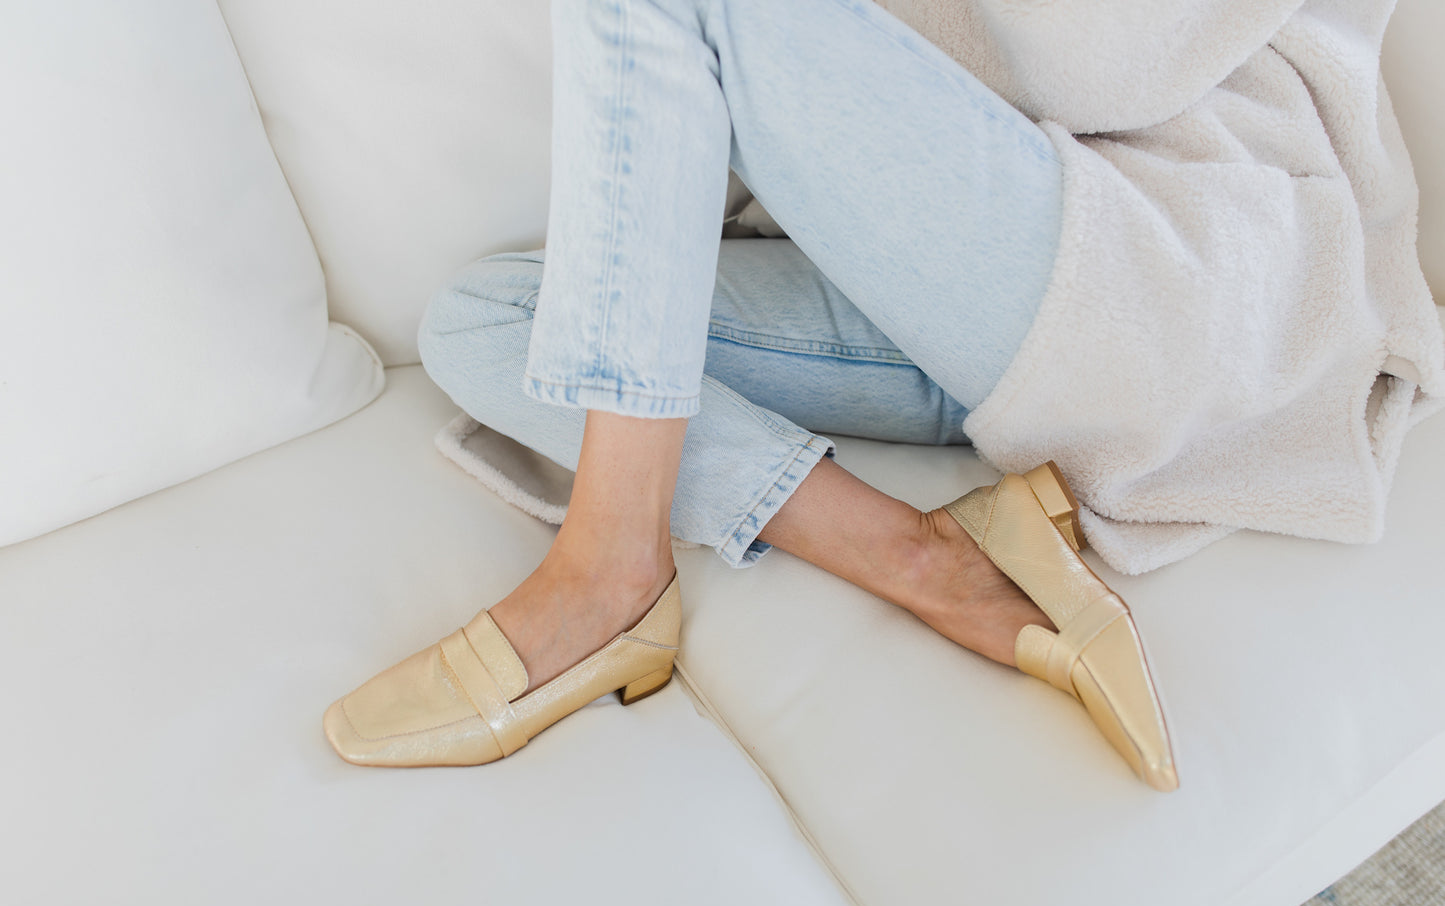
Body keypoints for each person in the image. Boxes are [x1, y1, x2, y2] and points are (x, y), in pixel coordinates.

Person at [321, 0, 1444, 793]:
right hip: (955, 299)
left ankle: (610, 569)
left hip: (1148, 269)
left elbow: (1101, 63)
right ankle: (912, 553)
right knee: (485, 324)